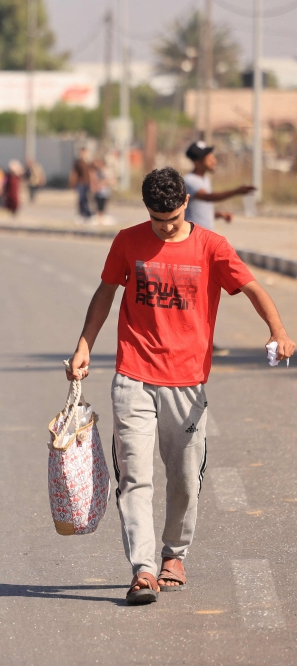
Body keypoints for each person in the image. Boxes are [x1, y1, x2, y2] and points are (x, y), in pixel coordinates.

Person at [65, 167, 295, 605]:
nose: (165, 228)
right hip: (133, 374)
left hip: (187, 382)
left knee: (185, 478)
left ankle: (175, 554)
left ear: (186, 203)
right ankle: (144, 570)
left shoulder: (211, 246)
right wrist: (84, 346)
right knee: (135, 476)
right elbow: (105, 293)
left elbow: (252, 288)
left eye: (171, 219)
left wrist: (278, 331)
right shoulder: (128, 241)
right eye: (156, 219)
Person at [183, 141, 256, 232]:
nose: (214, 161)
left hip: (206, 234)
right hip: (195, 235)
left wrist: (219, 214)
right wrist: (237, 191)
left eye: (213, 157)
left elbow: (199, 210)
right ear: (197, 162)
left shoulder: (205, 179)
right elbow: (207, 197)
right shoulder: (189, 180)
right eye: (209, 159)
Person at [69, 147, 93, 220]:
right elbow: (75, 173)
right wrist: (72, 182)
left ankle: (87, 212)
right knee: (81, 198)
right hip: (80, 182)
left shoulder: (88, 162)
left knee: (86, 198)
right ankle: (82, 212)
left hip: (87, 182)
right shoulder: (78, 162)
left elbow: (91, 173)